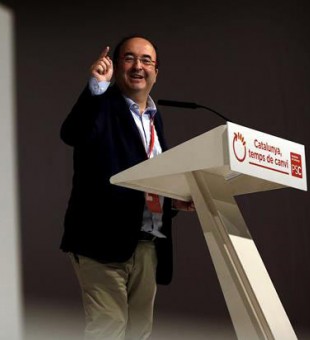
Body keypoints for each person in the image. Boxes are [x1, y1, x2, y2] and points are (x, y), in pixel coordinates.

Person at [60, 35, 194, 340]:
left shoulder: (154, 120)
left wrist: (174, 201)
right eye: (129, 58)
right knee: (108, 330)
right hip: (101, 241)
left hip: (148, 242)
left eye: (146, 60)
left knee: (138, 334)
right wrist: (96, 87)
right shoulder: (101, 106)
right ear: (116, 65)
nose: (138, 66)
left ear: (156, 72)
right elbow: (71, 132)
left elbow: (144, 179)